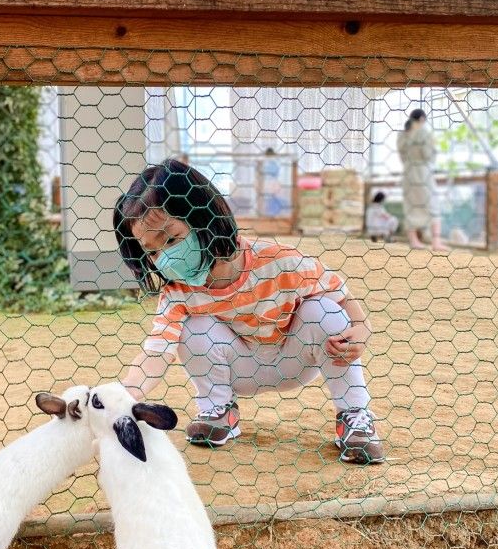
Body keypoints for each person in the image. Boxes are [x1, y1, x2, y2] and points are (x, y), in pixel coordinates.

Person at [113, 159, 384, 465]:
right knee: (191, 327)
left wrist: (362, 329)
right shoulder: (178, 293)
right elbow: (156, 353)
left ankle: (354, 414)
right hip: (239, 368)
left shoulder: (280, 261)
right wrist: (119, 399)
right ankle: (219, 412)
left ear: (205, 217)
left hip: (294, 358)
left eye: (172, 239)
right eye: (151, 251)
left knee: (323, 309)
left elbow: (343, 296)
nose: (164, 257)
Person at [397, 109, 446, 251]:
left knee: (410, 206)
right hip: (423, 173)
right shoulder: (425, 132)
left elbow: (402, 156)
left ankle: (414, 241)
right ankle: (436, 242)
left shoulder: (403, 134)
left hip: (408, 172)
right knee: (433, 206)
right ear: (423, 119)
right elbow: (428, 154)